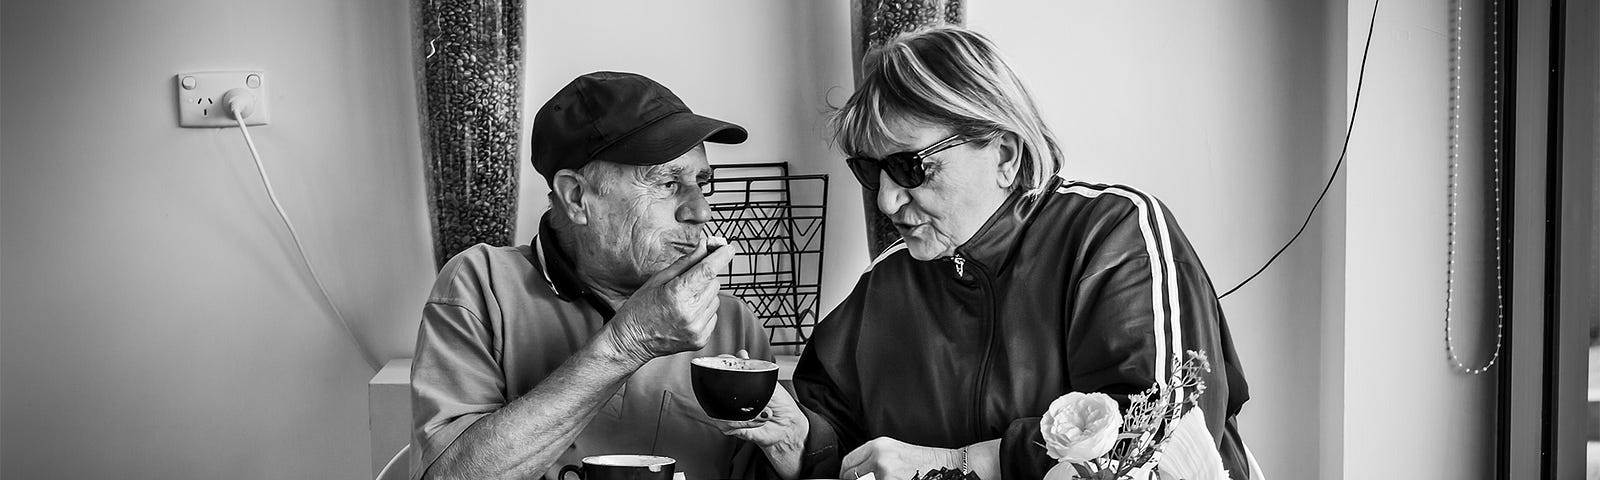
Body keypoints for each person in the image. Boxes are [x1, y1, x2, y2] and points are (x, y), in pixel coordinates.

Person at [721, 27, 1260, 480]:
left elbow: (1162, 439)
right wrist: (797, 443)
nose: (886, 199)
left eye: (912, 166)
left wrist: (960, 462)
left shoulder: (1113, 233)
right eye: (870, 170)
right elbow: (837, 435)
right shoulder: (887, 286)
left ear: (1004, 153)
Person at [409, 71, 779, 480]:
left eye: (701, 183)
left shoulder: (727, 322)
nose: (700, 211)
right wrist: (628, 343)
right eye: (669, 182)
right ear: (576, 197)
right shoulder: (481, 286)